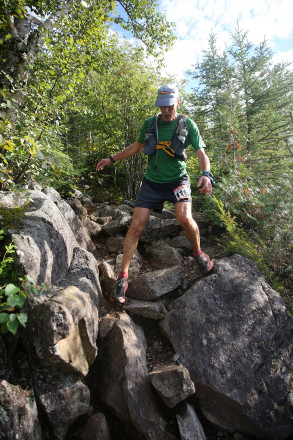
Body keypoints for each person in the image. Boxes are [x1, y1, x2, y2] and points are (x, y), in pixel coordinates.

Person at [96, 84, 215, 304]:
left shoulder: (188, 124)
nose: (166, 111)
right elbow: (136, 147)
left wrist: (206, 174)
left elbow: (201, 152)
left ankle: (198, 253)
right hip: (152, 182)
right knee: (136, 224)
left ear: (177, 102)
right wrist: (111, 158)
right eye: (162, 106)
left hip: (178, 180)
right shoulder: (150, 124)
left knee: (184, 217)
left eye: (169, 106)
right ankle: (123, 277)